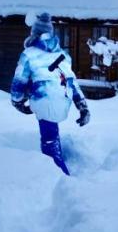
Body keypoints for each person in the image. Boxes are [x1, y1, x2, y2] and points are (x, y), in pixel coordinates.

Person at [10, 12, 90, 175]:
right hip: (62, 100)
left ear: (34, 34)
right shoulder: (63, 55)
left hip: (43, 100)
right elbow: (72, 81)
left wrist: (17, 102)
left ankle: (57, 175)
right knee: (52, 131)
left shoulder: (29, 54)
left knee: (48, 140)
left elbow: (19, 82)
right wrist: (83, 107)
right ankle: (57, 158)